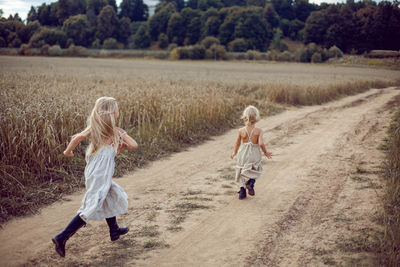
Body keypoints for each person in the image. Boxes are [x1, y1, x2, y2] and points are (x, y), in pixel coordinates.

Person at [52, 97, 138, 257]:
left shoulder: (95, 128)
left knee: (110, 195)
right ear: (113, 113)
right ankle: (62, 237)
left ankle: (114, 230)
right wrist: (124, 142)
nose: (118, 112)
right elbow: (134, 145)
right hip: (100, 175)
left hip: (95, 172)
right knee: (92, 204)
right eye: (117, 110)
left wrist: (68, 151)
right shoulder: (116, 131)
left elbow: (77, 138)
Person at [230, 105, 272, 199]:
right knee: (255, 168)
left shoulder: (241, 130)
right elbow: (261, 143)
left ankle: (242, 191)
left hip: (243, 153)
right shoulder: (259, 131)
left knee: (241, 170)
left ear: (244, 117)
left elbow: (237, 143)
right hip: (254, 153)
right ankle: (251, 183)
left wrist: (234, 152)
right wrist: (265, 152)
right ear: (256, 119)